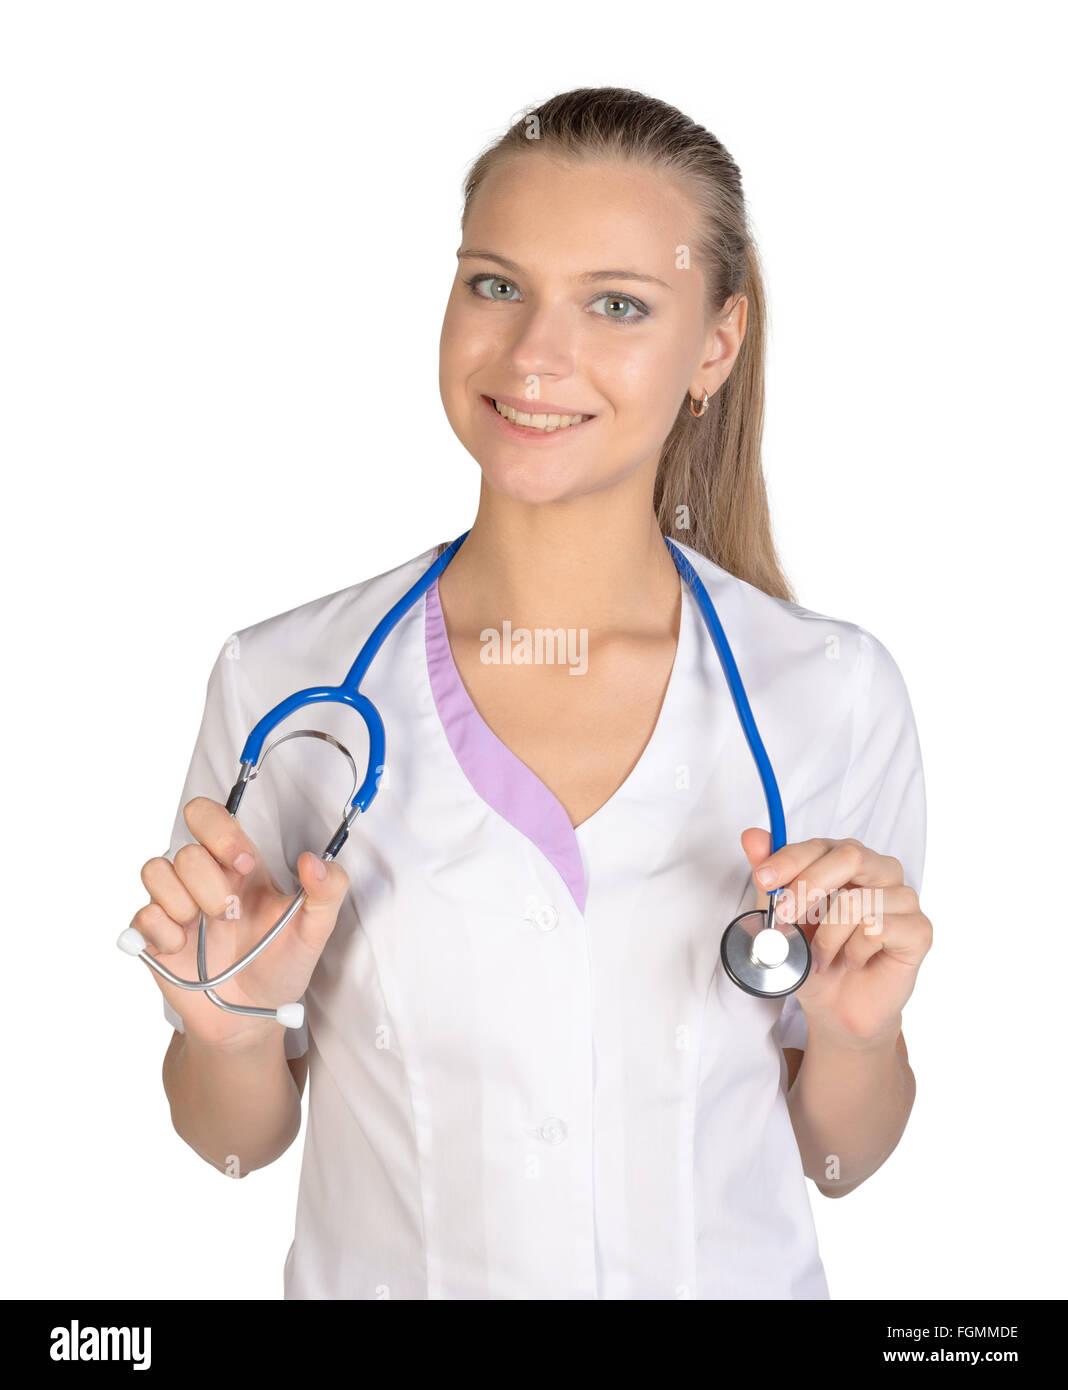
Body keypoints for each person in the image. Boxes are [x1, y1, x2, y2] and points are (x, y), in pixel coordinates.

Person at [130, 86, 932, 1300]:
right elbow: (231, 1138)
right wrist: (228, 1025)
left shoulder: (829, 695)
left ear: (716, 344)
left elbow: (843, 1154)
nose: (534, 357)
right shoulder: (286, 687)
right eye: (496, 284)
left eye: (617, 303)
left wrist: (858, 1038)